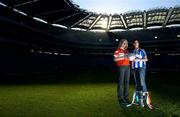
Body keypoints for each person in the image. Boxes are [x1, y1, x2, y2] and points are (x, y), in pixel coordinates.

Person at [131, 39, 148, 107]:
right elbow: (132, 61)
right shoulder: (133, 52)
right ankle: (139, 100)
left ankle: (146, 99)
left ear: (138, 44)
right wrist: (132, 68)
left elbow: (146, 59)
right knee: (137, 84)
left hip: (141, 68)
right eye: (135, 42)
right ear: (134, 44)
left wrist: (140, 59)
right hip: (135, 69)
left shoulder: (142, 50)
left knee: (142, 82)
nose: (136, 43)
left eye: (137, 42)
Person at [114, 39, 131, 106]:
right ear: (121, 43)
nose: (125, 44)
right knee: (120, 83)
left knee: (127, 82)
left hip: (128, 67)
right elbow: (115, 59)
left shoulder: (127, 51)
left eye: (126, 43)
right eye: (124, 43)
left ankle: (126, 98)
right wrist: (123, 56)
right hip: (121, 67)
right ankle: (120, 98)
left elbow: (129, 59)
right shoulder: (117, 51)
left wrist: (132, 57)